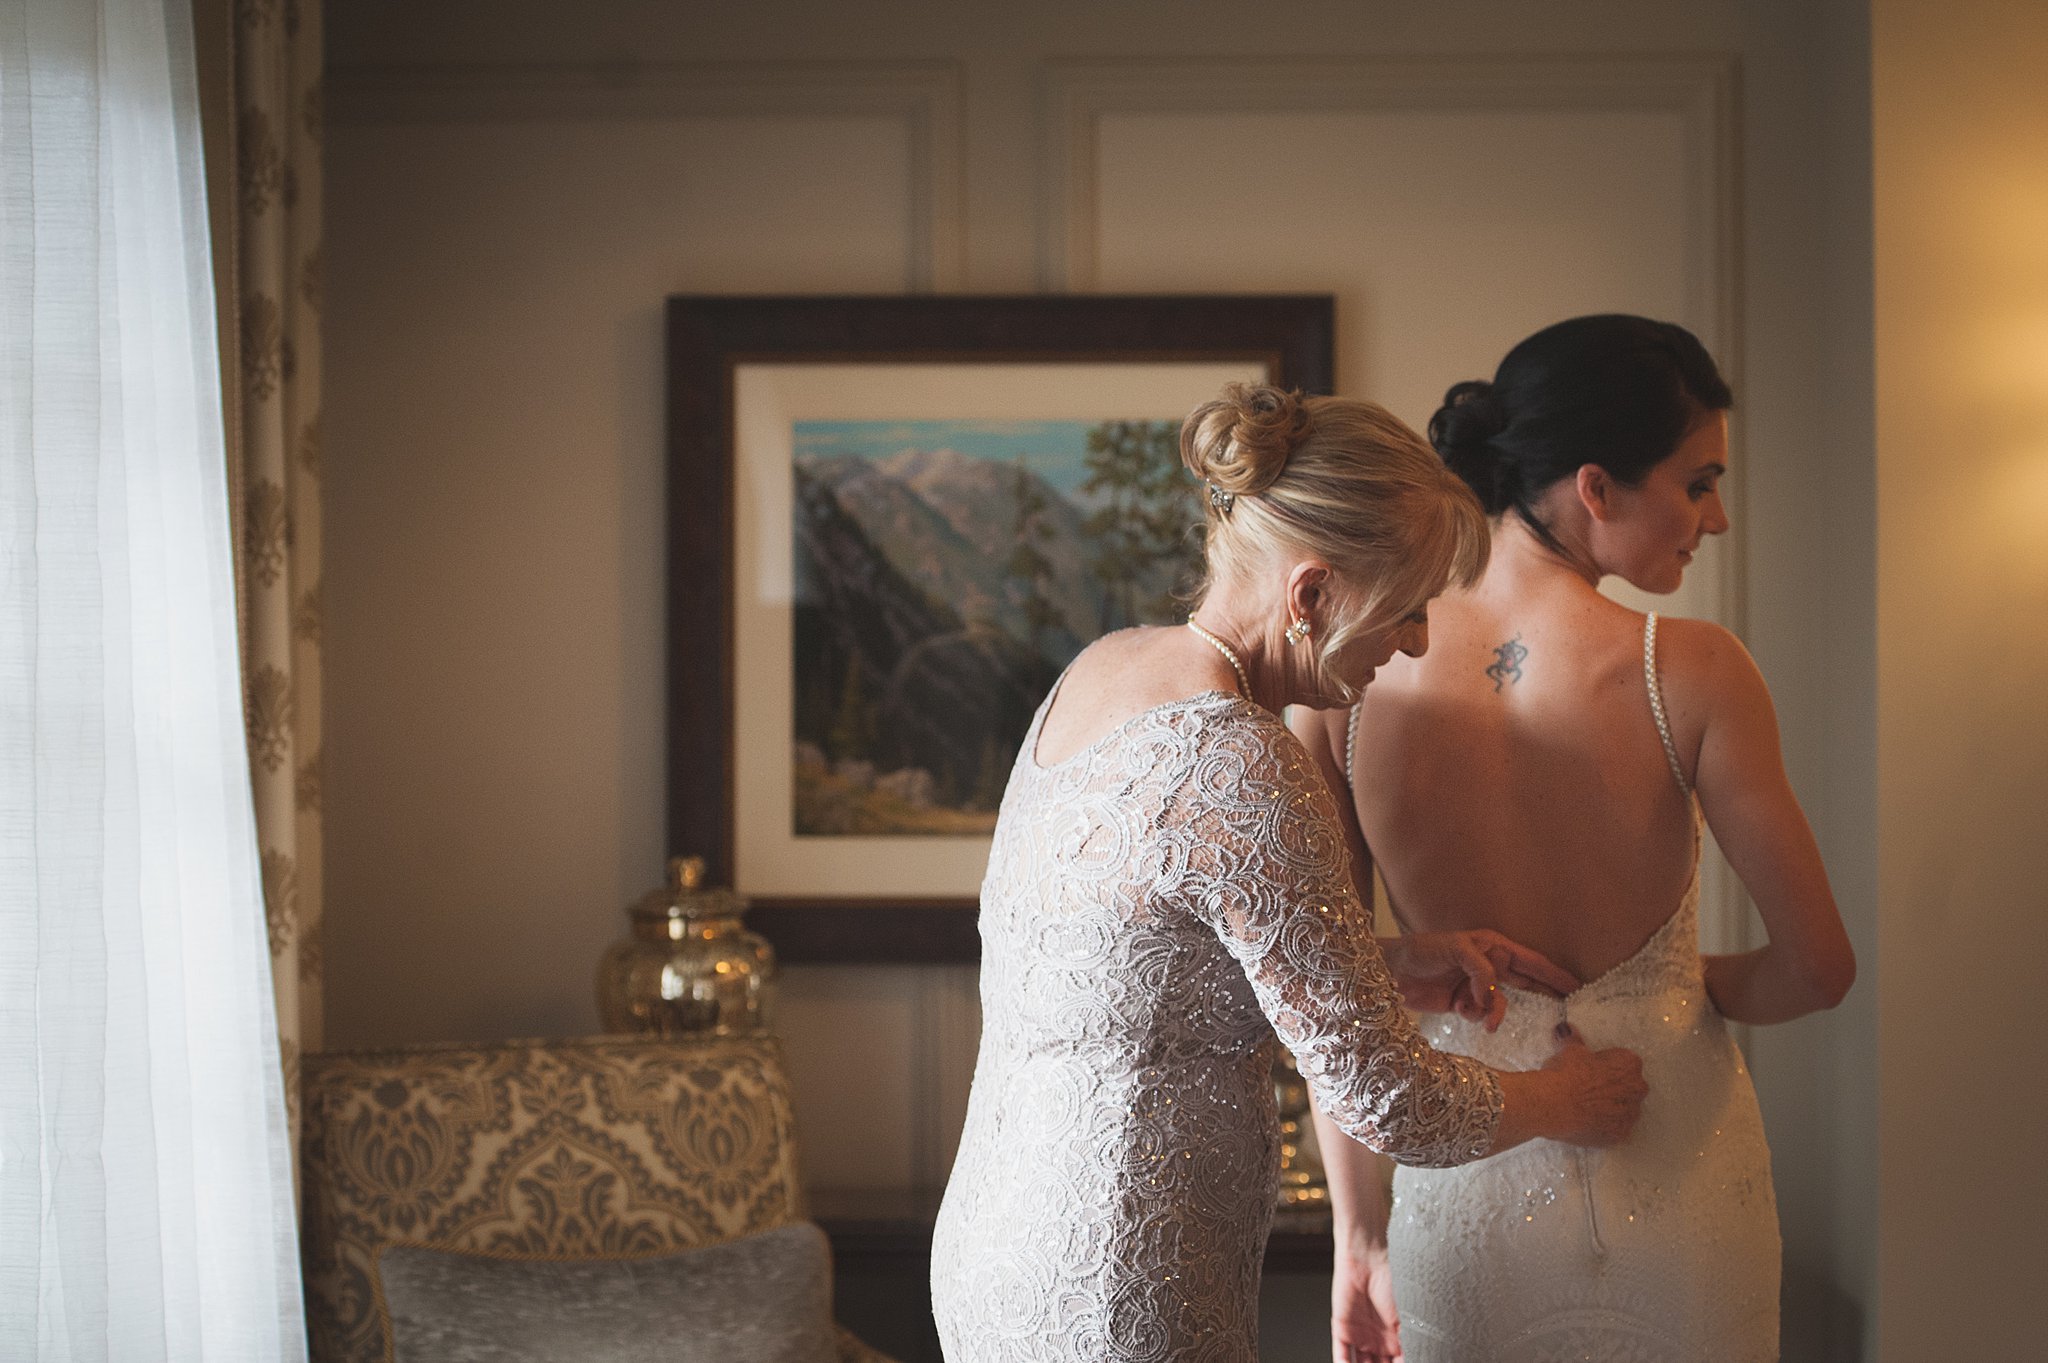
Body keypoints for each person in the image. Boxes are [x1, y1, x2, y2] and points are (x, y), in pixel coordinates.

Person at [929, 384, 1648, 1363]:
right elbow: (1387, 1098)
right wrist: (1564, 1099)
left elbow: (1136, 964)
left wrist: (1384, 960)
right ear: (1309, 596)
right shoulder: (1242, 757)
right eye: (1404, 611)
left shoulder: (1097, 672)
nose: (1416, 644)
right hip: (1120, 1289)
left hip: (990, 1249)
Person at [1290, 316, 1856, 1363]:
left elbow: (1327, 991)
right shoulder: (1691, 668)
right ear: (1593, 487)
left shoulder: (1354, 677)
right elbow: (1818, 968)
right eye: (1697, 482)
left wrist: (1357, 1235)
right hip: (1675, 1171)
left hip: (1464, 1185)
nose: (1715, 517)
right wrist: (1685, 984)